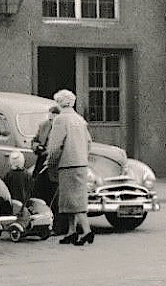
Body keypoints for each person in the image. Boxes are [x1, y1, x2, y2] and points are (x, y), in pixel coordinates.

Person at [45, 89, 95, 246]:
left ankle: (86, 231)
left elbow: (55, 146)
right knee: (71, 199)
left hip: (67, 164)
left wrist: (50, 162)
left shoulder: (60, 120)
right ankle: (71, 232)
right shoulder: (80, 119)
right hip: (80, 163)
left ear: (59, 102)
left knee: (72, 201)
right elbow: (88, 143)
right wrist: (82, 156)